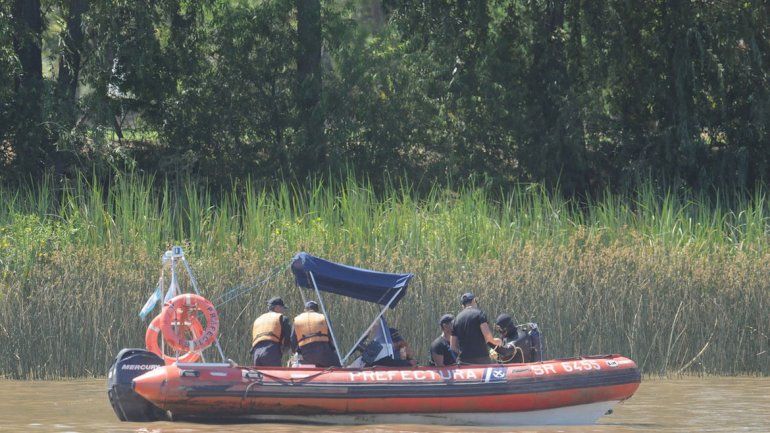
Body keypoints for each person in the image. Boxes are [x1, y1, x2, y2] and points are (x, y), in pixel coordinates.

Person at [450, 293, 502, 364]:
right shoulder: (480, 314)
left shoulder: (456, 319)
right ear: (474, 300)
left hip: (463, 361)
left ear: (463, 305)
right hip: (481, 359)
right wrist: (497, 342)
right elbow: (488, 338)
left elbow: (452, 346)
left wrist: (461, 353)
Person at [290, 301, 341, 368]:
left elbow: (293, 341)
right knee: (337, 364)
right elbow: (330, 337)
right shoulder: (323, 317)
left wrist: (297, 353)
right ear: (316, 310)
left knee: (293, 360)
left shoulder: (297, 319)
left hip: (305, 356)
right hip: (323, 353)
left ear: (305, 310)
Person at [250, 297, 291, 366]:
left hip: (256, 352)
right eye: (282, 308)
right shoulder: (282, 318)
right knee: (275, 376)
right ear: (277, 307)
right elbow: (288, 336)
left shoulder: (258, 319)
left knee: (260, 376)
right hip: (270, 351)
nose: (283, 311)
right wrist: (285, 348)